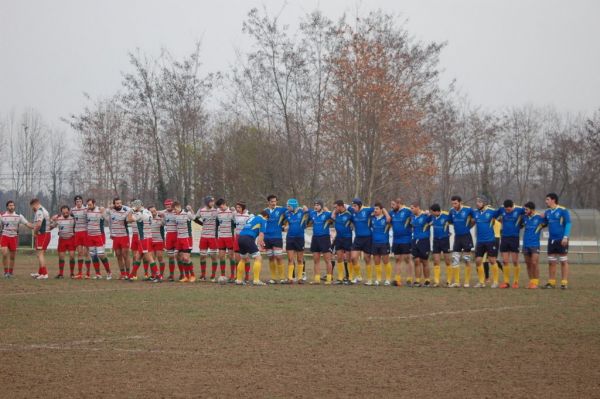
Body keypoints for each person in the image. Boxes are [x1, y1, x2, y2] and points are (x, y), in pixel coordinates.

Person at [543, 193, 571, 289]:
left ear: (553, 200)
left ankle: (564, 283)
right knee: (551, 262)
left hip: (561, 239)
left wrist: (565, 237)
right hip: (551, 240)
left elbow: (568, 223)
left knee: (563, 261)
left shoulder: (563, 210)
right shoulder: (547, 212)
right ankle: (551, 282)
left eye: (547, 199)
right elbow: (544, 223)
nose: (546, 201)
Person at [495, 199, 525, 289]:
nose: (507, 211)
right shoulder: (501, 209)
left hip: (514, 238)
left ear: (513, 206)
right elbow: (494, 215)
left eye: (509, 209)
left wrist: (522, 224)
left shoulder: (520, 210)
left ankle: (516, 282)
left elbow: (529, 213)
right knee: (505, 261)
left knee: (515, 261)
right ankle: (506, 282)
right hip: (504, 237)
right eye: (506, 209)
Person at [127, 200, 159, 282]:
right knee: (138, 257)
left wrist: (131, 211)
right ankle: (131, 275)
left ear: (137, 206)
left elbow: (129, 219)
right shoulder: (147, 211)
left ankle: (158, 276)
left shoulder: (140, 214)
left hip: (144, 238)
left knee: (149, 258)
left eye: (133, 206)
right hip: (147, 237)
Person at [448, 196, 476, 288]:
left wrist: (469, 226)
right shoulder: (452, 211)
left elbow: (475, 218)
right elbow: (450, 221)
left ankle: (467, 282)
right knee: (455, 259)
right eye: (453, 203)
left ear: (460, 202)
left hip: (466, 237)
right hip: (457, 237)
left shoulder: (468, 210)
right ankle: (456, 282)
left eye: (455, 203)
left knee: (466, 259)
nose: (454, 205)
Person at [1, 201, 33, 278]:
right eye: (10, 205)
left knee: (12, 257)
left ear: (14, 207)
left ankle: (10, 273)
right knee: (4, 254)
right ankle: (6, 273)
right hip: (4, 236)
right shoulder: (2, 215)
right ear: (7, 207)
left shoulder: (19, 216)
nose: (11, 207)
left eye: (12, 205)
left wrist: (36, 227)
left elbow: (27, 224)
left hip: (14, 237)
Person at [236, 210, 269, 286]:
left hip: (240, 238)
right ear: (266, 216)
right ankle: (256, 280)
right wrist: (260, 245)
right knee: (258, 258)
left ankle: (238, 280)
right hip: (248, 238)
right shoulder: (263, 220)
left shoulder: (252, 218)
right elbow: (261, 234)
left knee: (243, 259)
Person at [473, 196, 499, 288]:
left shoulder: (491, 211)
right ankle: (481, 282)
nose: (477, 203)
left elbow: (501, 213)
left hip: (490, 241)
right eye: (477, 202)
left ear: (484, 203)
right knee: (478, 261)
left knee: (492, 260)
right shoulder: (475, 212)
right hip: (480, 241)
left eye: (479, 202)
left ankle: (495, 282)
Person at [389, 198, 414, 286]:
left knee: (407, 258)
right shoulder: (392, 212)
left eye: (393, 204)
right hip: (396, 239)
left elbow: (416, 214)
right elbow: (387, 218)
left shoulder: (407, 211)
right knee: (397, 259)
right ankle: (397, 279)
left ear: (398, 203)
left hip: (406, 238)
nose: (391, 207)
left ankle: (409, 279)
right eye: (391, 205)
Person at [308, 200, 333, 285]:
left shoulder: (327, 214)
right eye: (315, 205)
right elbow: (305, 211)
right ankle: (317, 279)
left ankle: (329, 279)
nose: (316, 206)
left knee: (327, 260)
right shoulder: (312, 214)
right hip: (315, 238)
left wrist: (328, 210)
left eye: (318, 205)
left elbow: (334, 215)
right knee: (316, 260)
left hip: (324, 238)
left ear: (321, 206)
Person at [105, 197, 131, 279]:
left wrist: (123, 205)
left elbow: (131, 209)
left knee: (125, 255)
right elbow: (104, 211)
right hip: (115, 237)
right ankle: (122, 273)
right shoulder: (111, 211)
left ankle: (128, 273)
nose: (119, 205)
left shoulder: (125, 210)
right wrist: (110, 206)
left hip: (124, 236)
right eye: (117, 203)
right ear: (114, 204)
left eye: (120, 203)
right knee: (118, 255)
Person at [521, 202, 546, 289]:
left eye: (526, 209)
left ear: (532, 209)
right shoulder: (524, 217)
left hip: (535, 244)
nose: (525, 210)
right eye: (524, 209)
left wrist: (545, 215)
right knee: (528, 264)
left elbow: (547, 222)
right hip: (525, 244)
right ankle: (531, 282)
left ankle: (536, 282)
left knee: (534, 263)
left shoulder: (539, 217)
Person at [283, 199, 308, 284]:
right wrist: (285, 226)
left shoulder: (302, 211)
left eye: (289, 206)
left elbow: (309, 216)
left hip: (300, 238)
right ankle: (290, 278)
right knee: (290, 259)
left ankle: (300, 278)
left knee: (300, 259)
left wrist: (306, 209)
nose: (287, 207)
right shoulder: (286, 213)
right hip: (290, 238)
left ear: (294, 206)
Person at [85, 199, 111, 279]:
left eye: (90, 205)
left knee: (101, 254)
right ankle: (98, 274)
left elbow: (107, 219)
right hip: (90, 235)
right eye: (88, 205)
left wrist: (104, 211)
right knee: (93, 255)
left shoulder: (100, 210)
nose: (89, 206)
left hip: (99, 235)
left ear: (94, 204)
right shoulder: (87, 210)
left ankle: (109, 272)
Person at [349, 198, 373, 284]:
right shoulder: (352, 212)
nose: (353, 207)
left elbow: (379, 208)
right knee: (353, 257)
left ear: (359, 206)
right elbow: (342, 206)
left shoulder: (367, 210)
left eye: (355, 206)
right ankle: (358, 276)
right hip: (358, 238)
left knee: (367, 258)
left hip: (367, 238)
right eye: (353, 205)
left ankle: (369, 279)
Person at [263, 195, 287, 284]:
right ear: (268, 202)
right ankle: (273, 278)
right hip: (267, 237)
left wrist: (286, 225)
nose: (273, 203)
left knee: (279, 257)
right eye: (272, 201)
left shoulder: (281, 210)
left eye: (275, 201)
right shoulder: (264, 211)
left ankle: (282, 278)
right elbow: (260, 222)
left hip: (277, 237)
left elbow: (291, 211)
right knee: (270, 258)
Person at [195, 196, 219, 281]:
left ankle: (213, 276)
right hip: (204, 237)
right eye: (211, 202)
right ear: (207, 202)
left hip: (212, 237)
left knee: (213, 256)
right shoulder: (201, 210)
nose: (212, 203)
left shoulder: (216, 211)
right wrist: (202, 224)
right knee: (202, 256)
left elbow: (219, 221)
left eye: (213, 202)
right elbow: (195, 219)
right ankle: (203, 275)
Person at [368, 203, 392, 286]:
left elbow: (389, 218)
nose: (375, 210)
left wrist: (384, 210)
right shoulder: (372, 218)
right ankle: (378, 279)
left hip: (384, 243)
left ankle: (388, 279)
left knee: (386, 261)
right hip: (374, 243)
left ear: (381, 210)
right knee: (377, 262)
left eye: (377, 209)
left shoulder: (386, 218)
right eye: (374, 209)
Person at [430, 204, 453, 287]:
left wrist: (449, 232)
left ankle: (449, 281)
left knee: (447, 261)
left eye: (432, 212)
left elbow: (453, 220)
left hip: (445, 240)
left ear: (436, 211)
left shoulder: (446, 215)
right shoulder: (432, 217)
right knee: (436, 261)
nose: (431, 213)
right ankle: (436, 281)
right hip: (436, 240)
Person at [410, 202, 432, 287]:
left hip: (424, 241)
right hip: (415, 240)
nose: (411, 210)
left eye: (412, 208)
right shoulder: (412, 217)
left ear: (417, 207)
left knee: (424, 261)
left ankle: (427, 280)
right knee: (416, 261)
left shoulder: (425, 216)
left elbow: (434, 219)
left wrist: (429, 214)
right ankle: (417, 281)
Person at [50, 205, 76, 278]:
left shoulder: (73, 219)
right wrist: (51, 220)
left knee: (72, 256)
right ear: (61, 212)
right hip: (62, 240)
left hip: (71, 239)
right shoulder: (58, 219)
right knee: (61, 257)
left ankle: (72, 274)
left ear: (69, 211)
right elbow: (51, 226)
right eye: (64, 213)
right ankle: (61, 274)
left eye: (66, 212)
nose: (65, 214)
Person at [331, 200, 354, 284]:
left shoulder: (349, 214)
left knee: (348, 258)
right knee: (339, 258)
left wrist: (347, 206)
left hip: (347, 238)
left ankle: (350, 278)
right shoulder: (336, 214)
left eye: (335, 207)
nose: (334, 209)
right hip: (339, 238)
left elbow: (355, 212)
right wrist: (334, 211)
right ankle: (340, 278)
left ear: (341, 206)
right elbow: (332, 216)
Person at [173, 202, 195, 282]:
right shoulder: (175, 216)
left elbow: (194, 217)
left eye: (175, 209)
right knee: (181, 258)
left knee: (186, 258)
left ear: (178, 207)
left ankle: (192, 275)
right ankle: (186, 276)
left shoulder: (187, 214)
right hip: (179, 239)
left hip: (187, 238)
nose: (174, 211)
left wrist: (191, 209)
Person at [215, 198, 236, 282]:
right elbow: (216, 225)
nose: (221, 208)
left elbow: (235, 224)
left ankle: (232, 275)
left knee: (231, 256)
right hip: (221, 237)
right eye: (219, 207)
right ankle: (223, 275)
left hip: (229, 237)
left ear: (225, 204)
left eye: (221, 206)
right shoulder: (218, 213)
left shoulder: (231, 212)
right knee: (221, 256)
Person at [160, 199, 180, 280]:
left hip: (177, 235)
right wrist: (160, 218)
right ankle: (171, 275)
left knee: (179, 256)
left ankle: (182, 274)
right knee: (170, 256)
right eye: (166, 205)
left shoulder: (177, 212)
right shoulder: (164, 213)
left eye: (169, 205)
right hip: (169, 236)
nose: (168, 206)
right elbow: (163, 223)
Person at [71, 195, 91, 279]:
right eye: (77, 201)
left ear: (82, 202)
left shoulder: (86, 209)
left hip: (85, 232)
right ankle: (79, 273)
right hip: (77, 233)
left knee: (86, 253)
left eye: (80, 201)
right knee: (79, 253)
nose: (78, 203)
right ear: (75, 202)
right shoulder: (72, 210)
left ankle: (88, 273)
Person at [233, 202, 252, 282]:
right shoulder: (235, 215)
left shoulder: (249, 216)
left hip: (245, 237)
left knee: (246, 258)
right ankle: (238, 276)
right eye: (236, 207)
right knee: (237, 258)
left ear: (243, 208)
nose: (237, 209)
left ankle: (247, 276)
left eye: (239, 207)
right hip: (237, 237)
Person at [149, 206, 166, 279]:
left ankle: (161, 275)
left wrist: (163, 216)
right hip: (150, 241)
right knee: (152, 259)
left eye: (154, 211)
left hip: (159, 240)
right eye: (151, 211)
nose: (153, 212)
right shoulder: (148, 219)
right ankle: (154, 275)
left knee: (160, 258)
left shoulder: (160, 218)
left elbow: (164, 223)